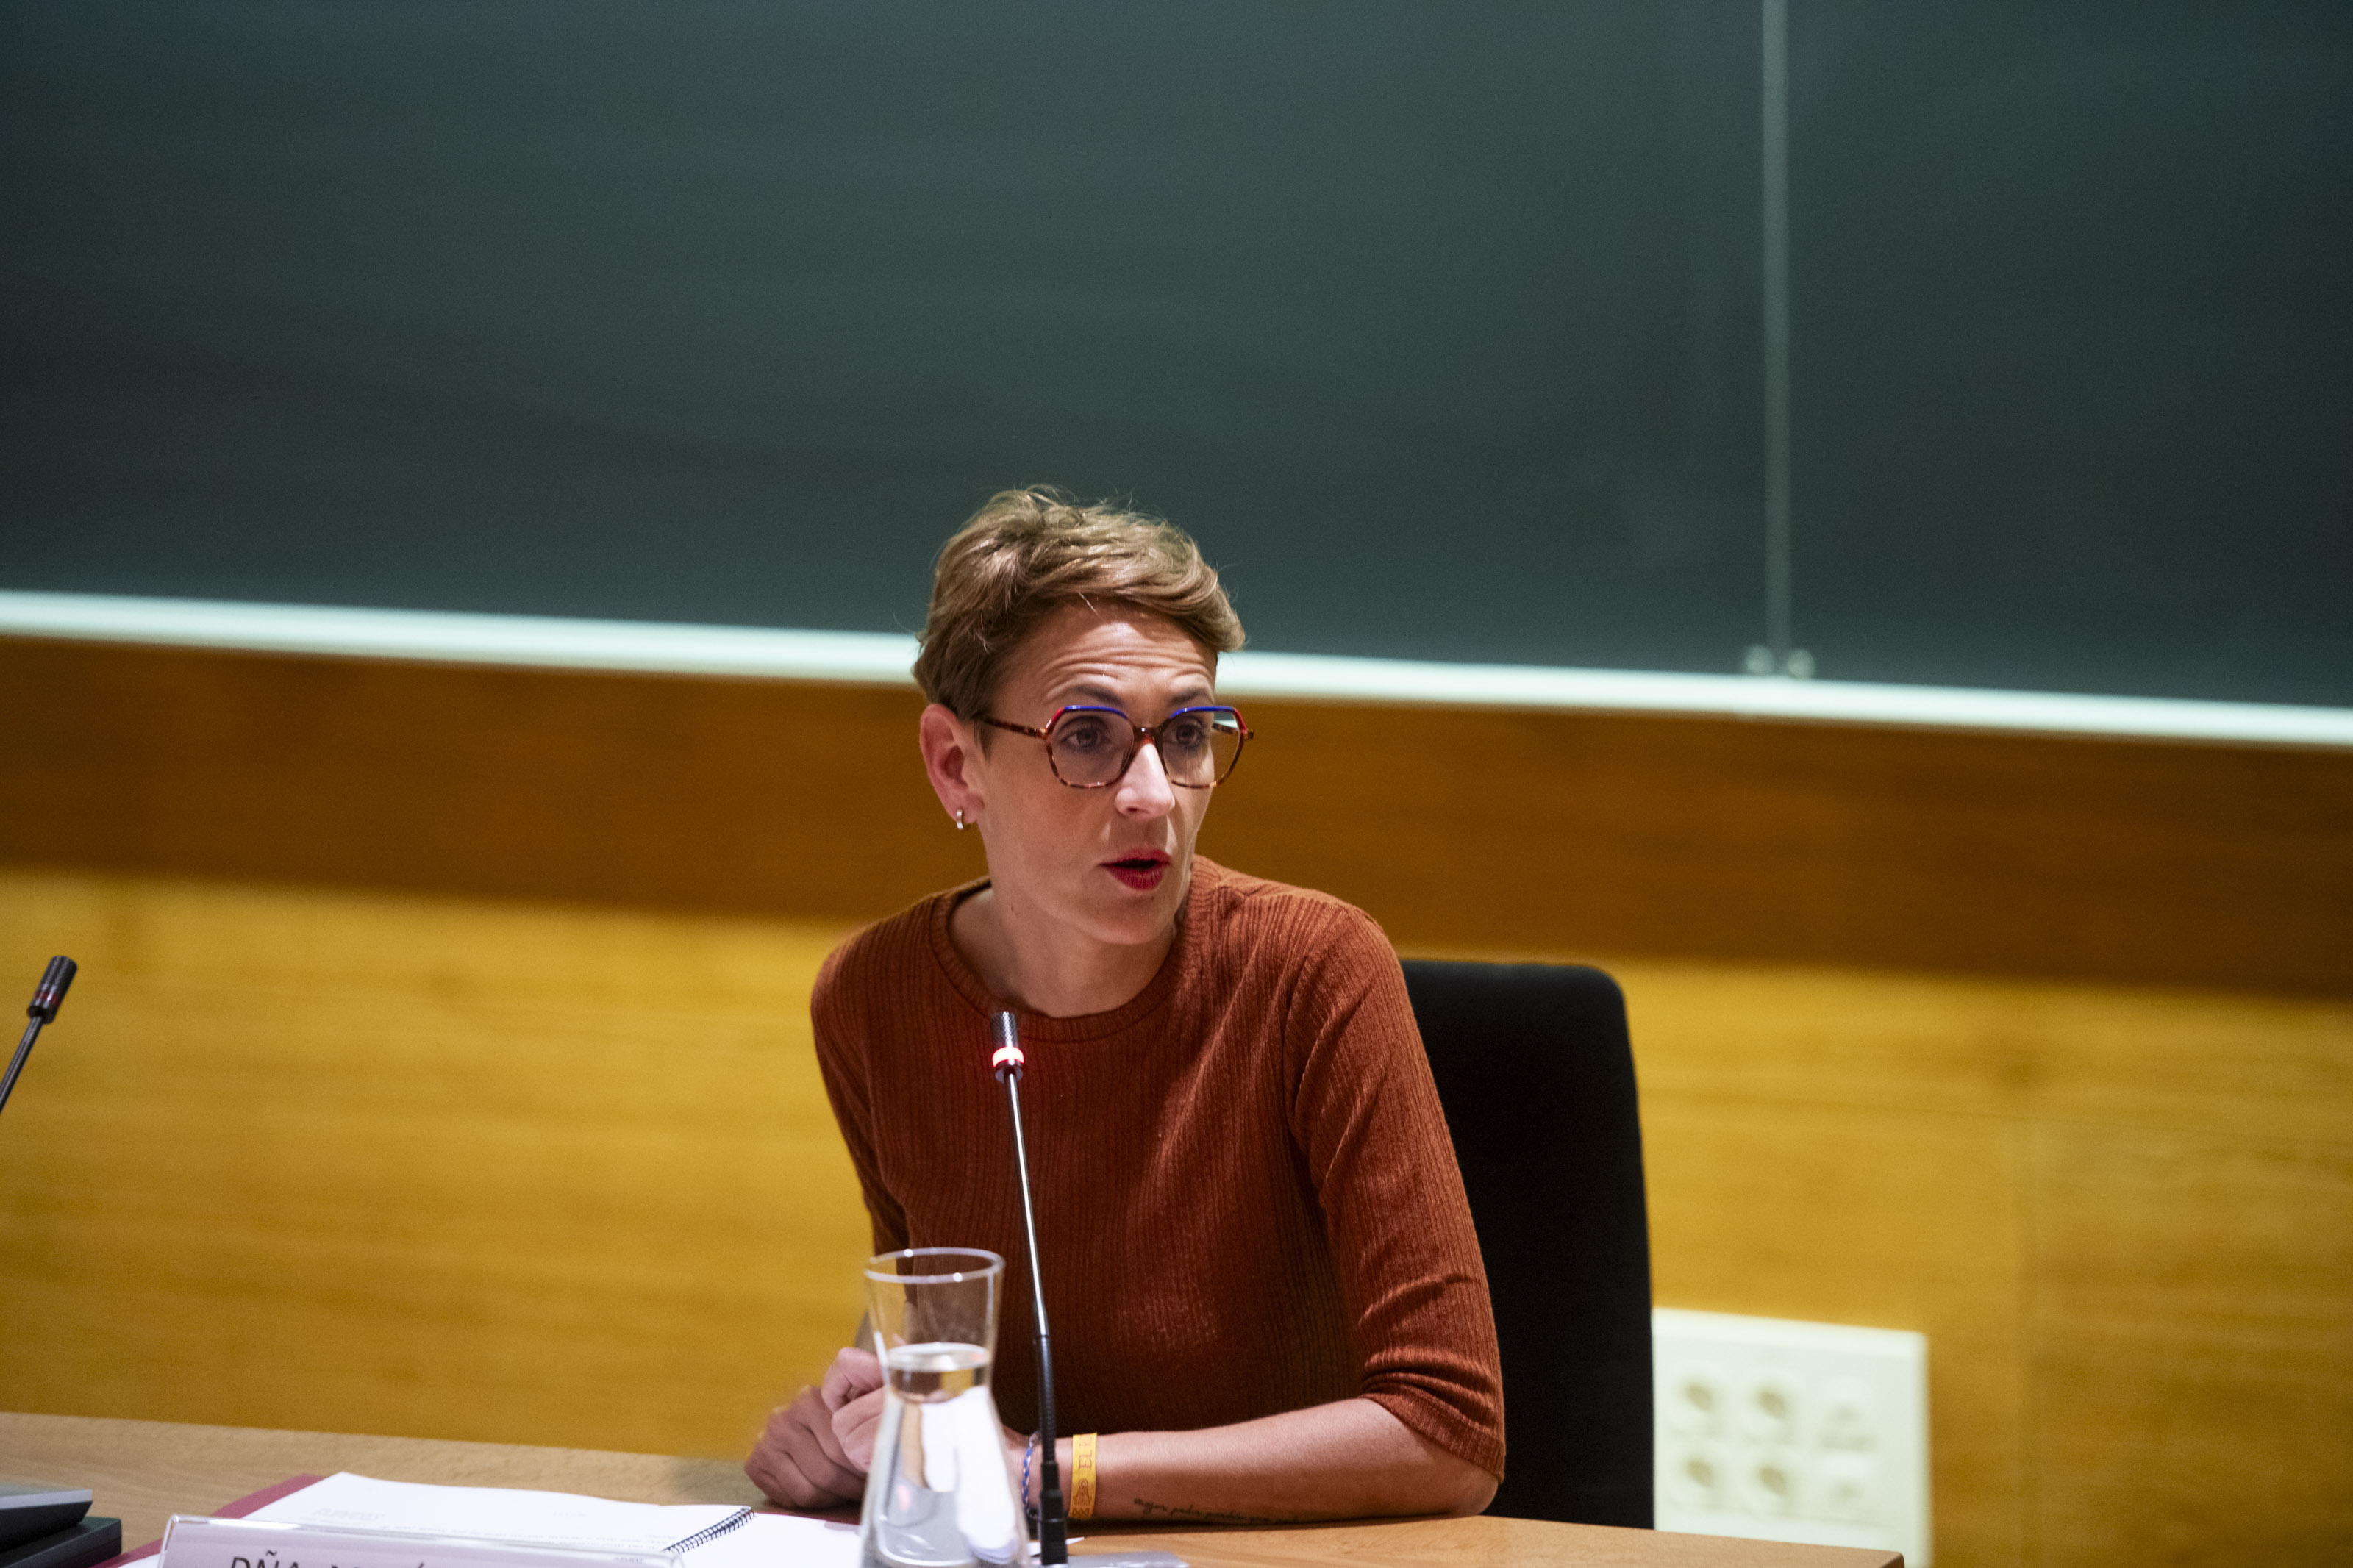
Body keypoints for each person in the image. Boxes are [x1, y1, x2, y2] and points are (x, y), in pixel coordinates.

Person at [744, 489, 1502, 1525]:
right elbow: (949, 1345)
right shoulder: (875, 999)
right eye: (1089, 735)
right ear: (956, 762)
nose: (1153, 793)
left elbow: (1449, 1430)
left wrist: (1053, 1473)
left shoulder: (1316, 970)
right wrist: (865, 1427)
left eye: (1187, 733)